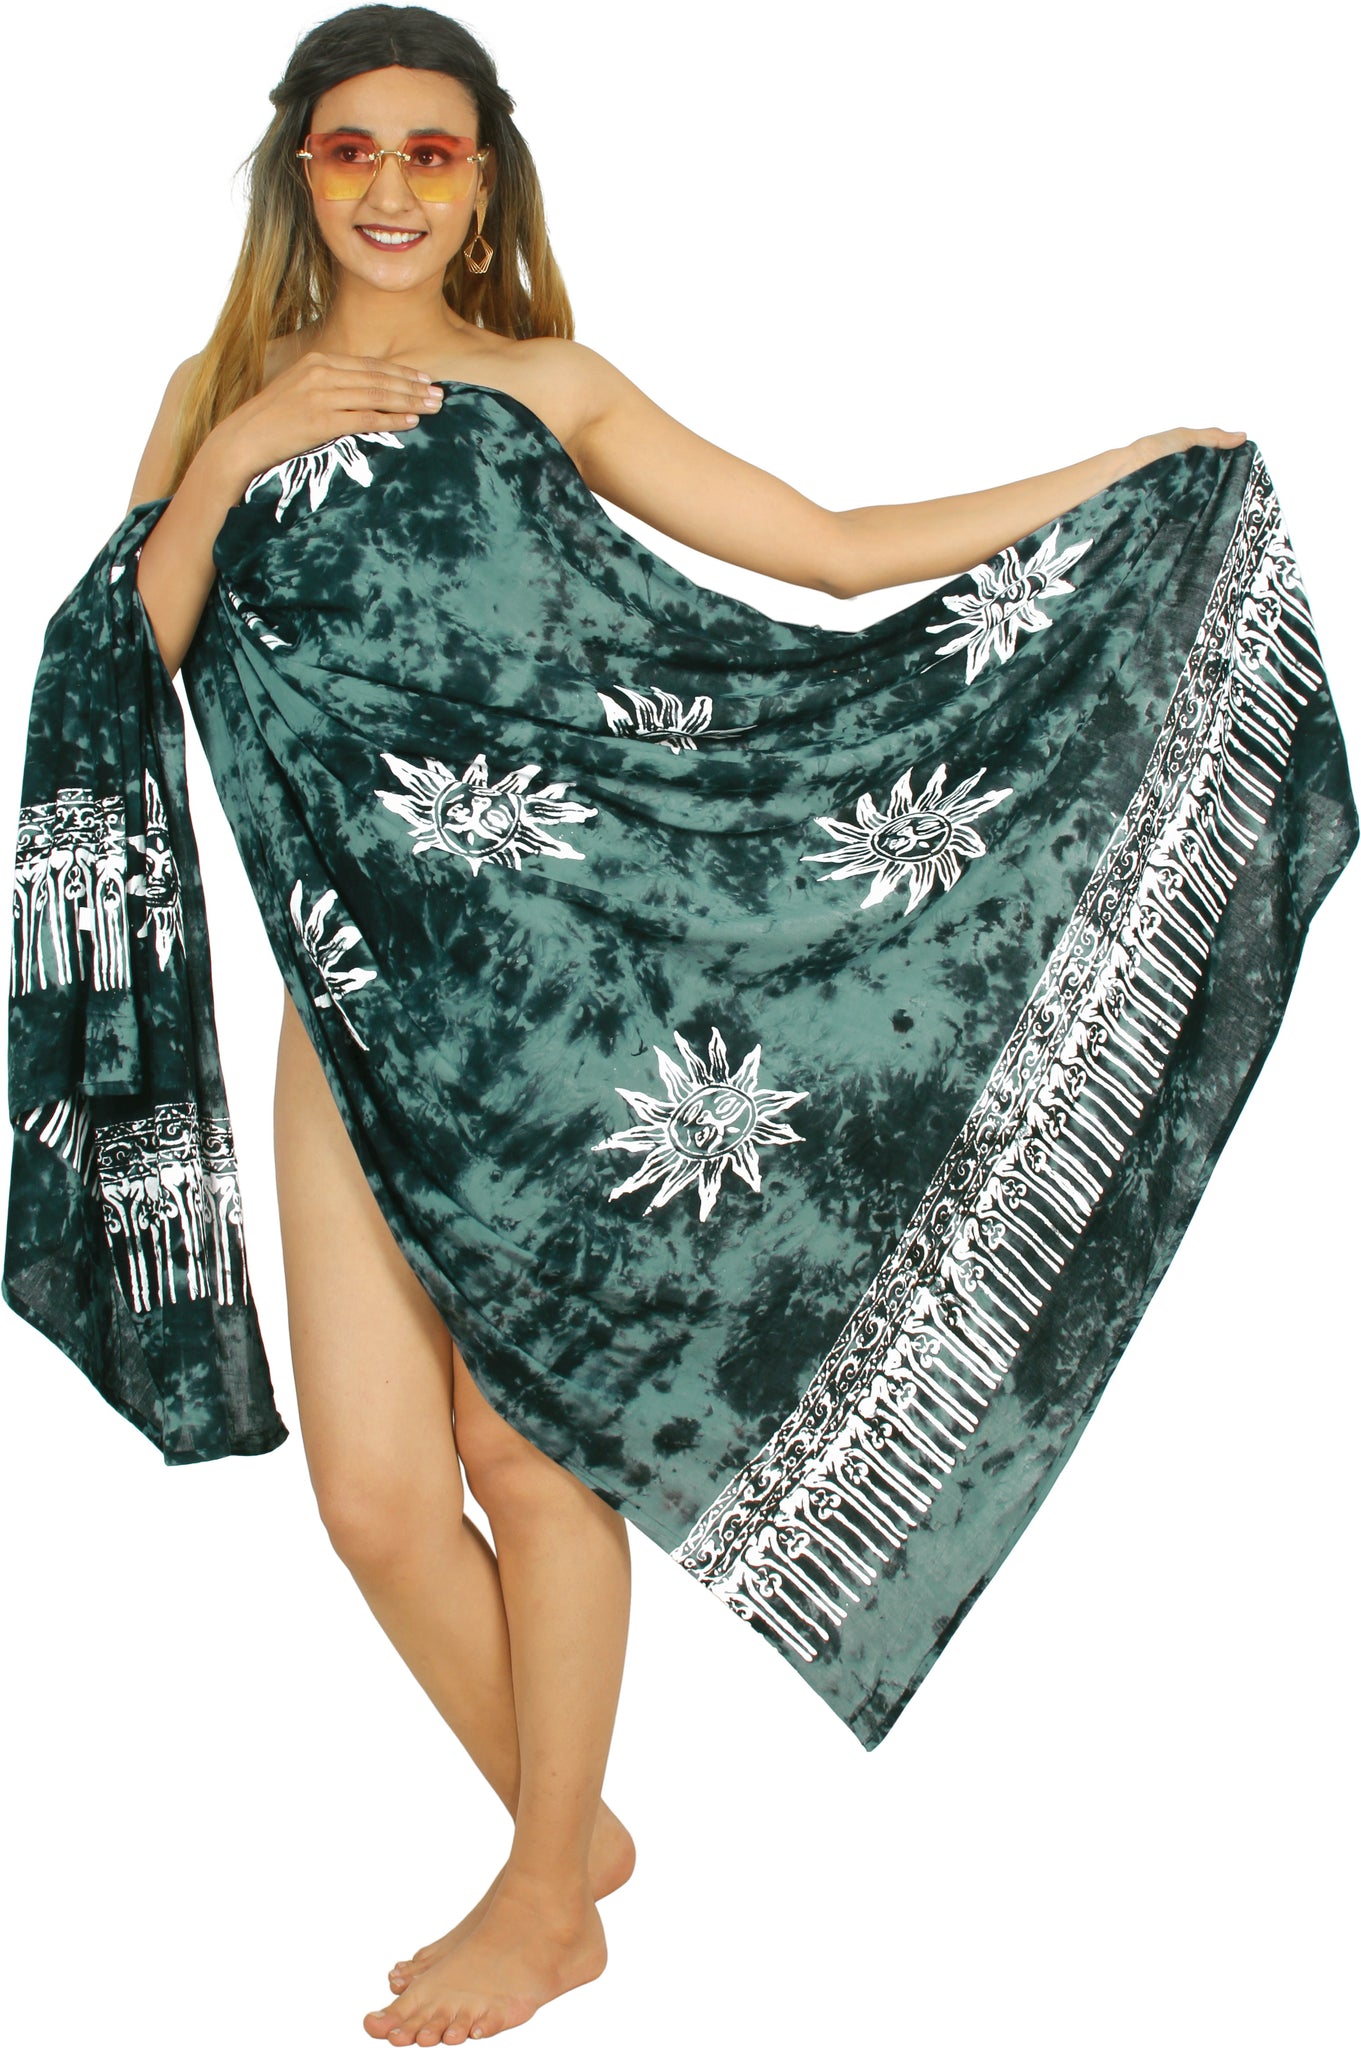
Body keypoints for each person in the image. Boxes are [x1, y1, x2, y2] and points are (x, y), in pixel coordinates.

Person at [12, 7, 1337, 2046]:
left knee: (522, 1451)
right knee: (372, 1496)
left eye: (431, 152)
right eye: (352, 148)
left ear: (482, 181)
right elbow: (129, 654)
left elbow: (826, 547)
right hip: (352, 996)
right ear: (299, 172)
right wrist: (228, 463)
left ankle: (544, 1889)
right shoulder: (217, 403)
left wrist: (1124, 472)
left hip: (566, 989)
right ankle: (571, 1831)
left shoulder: (548, 385)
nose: (389, 187)